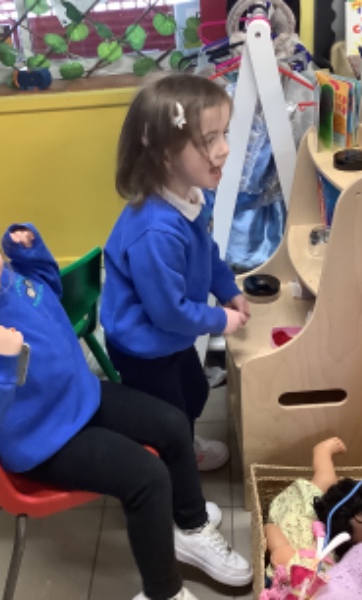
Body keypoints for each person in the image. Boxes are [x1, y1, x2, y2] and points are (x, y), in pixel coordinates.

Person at [0, 184, 252, 600]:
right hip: (44, 441)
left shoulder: (2, 281)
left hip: (80, 398)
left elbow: (48, 298)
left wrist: (32, 258)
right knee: (148, 478)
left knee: (172, 424)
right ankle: (164, 593)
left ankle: (190, 526)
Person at [101, 73, 250, 472]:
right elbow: (168, 312)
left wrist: (228, 289)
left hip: (169, 335)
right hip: (144, 345)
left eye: (224, 134)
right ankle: (170, 475)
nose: (224, 149)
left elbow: (208, 254)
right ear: (166, 154)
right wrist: (220, 319)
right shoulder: (156, 232)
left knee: (194, 391)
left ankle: (182, 446)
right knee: (167, 418)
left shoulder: (189, 197)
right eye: (210, 139)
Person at [263, 437, 362, 595]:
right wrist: (281, 550)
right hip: (303, 510)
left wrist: (281, 550)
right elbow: (270, 528)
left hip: (304, 516)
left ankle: (327, 458)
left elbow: (270, 526)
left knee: (329, 485)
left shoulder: (343, 557)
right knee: (327, 479)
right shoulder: (298, 561)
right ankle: (322, 452)